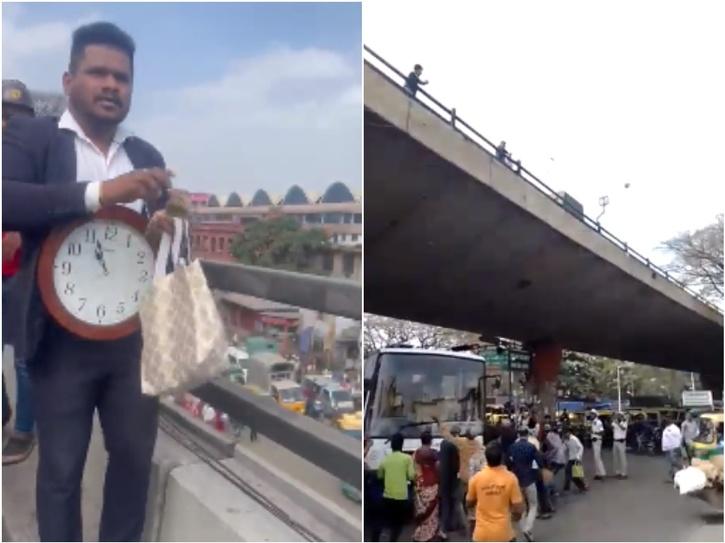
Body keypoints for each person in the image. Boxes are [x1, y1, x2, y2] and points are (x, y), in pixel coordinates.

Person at [3, 22, 175, 541]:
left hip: (133, 342)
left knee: (131, 465)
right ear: (69, 78)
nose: (111, 85)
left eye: (121, 77)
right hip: (60, 343)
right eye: (97, 72)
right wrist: (100, 192)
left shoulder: (145, 154)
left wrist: (167, 221)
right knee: (60, 471)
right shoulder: (34, 138)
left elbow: (160, 236)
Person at [2, 80, 38, 466]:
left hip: (23, 274)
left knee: (24, 357)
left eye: (16, 116)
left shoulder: (35, 162)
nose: (9, 123)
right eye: (4, 115)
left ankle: (24, 430)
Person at [467, 441, 524, 543]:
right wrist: (513, 519)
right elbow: (518, 509)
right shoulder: (510, 478)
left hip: (481, 535)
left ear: (486, 457)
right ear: (502, 458)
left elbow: (469, 503)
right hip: (504, 534)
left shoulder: (476, 479)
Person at [375, 433, 415, 542]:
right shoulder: (407, 459)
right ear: (402, 445)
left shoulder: (385, 459)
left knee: (386, 520)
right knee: (397, 524)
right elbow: (411, 476)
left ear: (391, 445)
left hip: (387, 496)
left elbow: (379, 475)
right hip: (401, 497)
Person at [509, 427, 545, 542]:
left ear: (518, 435)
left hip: (516, 480)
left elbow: (508, 462)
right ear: (527, 435)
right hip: (529, 478)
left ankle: (524, 527)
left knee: (521, 507)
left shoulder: (512, 447)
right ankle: (528, 528)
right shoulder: (531, 447)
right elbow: (539, 462)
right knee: (533, 504)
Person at [437, 425, 465, 540]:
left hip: (442, 478)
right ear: (457, 434)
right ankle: (444, 529)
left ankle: (448, 526)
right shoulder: (454, 446)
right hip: (451, 479)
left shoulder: (443, 443)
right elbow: (455, 466)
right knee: (452, 503)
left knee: (445, 503)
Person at [412, 431, 440, 542]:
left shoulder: (416, 454)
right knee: (432, 512)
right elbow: (438, 467)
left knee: (421, 510)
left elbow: (414, 470)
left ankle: (419, 534)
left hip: (420, 485)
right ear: (431, 441)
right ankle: (429, 534)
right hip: (432, 484)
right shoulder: (434, 453)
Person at [562, 428, 588, 492]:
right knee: (568, 471)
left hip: (576, 458)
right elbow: (564, 448)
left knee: (577, 474)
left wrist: (578, 456)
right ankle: (567, 486)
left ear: (569, 433)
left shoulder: (574, 439)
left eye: (566, 433)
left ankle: (583, 486)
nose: (565, 435)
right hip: (571, 458)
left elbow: (581, 447)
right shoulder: (566, 440)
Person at [662, 418, 683, 482]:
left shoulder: (674, 428)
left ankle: (683, 468)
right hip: (668, 448)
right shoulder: (667, 428)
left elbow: (679, 438)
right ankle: (672, 477)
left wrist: (677, 447)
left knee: (673, 462)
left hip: (673, 448)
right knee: (670, 463)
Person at [589, 409, 606, 480]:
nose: (590, 415)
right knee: (596, 458)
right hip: (594, 441)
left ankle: (602, 473)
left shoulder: (598, 422)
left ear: (595, 415)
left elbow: (602, 433)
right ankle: (597, 473)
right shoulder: (593, 422)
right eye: (590, 414)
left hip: (597, 441)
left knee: (598, 458)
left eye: (592, 414)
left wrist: (594, 433)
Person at [611, 412, 628, 479]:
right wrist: (613, 419)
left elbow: (623, 428)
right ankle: (617, 472)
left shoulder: (624, 422)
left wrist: (618, 423)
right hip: (615, 441)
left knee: (622, 458)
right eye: (618, 416)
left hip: (621, 441)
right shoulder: (615, 422)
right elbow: (612, 426)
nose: (618, 417)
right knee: (615, 457)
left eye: (620, 416)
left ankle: (624, 473)